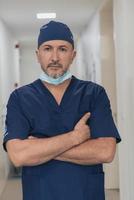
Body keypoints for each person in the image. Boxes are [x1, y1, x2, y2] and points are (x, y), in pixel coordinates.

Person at [3, 21, 121, 200]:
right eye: (48, 48)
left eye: (63, 49)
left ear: (73, 55)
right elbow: (19, 155)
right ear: (38, 54)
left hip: (86, 194)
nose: (55, 57)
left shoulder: (94, 94)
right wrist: (74, 138)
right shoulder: (20, 98)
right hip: (40, 194)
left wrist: (40, 147)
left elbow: (105, 151)